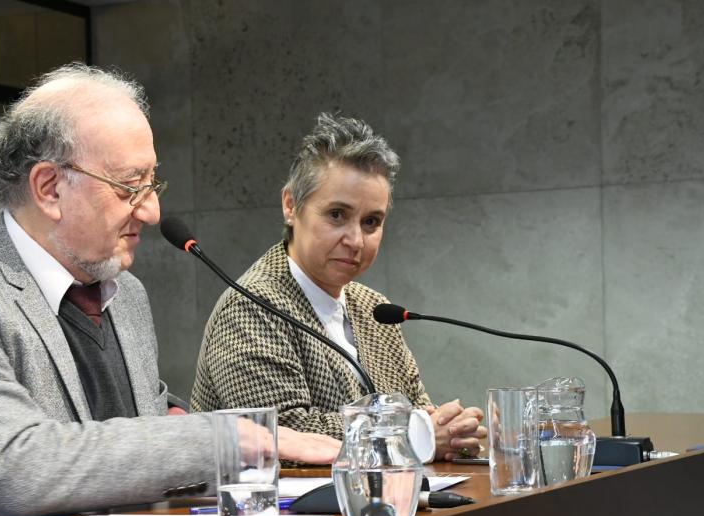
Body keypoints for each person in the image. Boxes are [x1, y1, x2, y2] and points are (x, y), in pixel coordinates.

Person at [0, 63, 339, 516]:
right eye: (129, 186)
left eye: (152, 183)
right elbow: (16, 469)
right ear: (49, 188)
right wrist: (224, 439)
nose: (153, 210)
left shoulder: (127, 295)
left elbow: (148, 434)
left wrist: (202, 428)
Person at [191, 113, 486, 461]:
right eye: (336, 215)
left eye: (371, 222)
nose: (355, 240)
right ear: (291, 206)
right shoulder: (250, 306)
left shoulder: (375, 309)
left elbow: (419, 410)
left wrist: (451, 430)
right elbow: (283, 437)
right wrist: (414, 433)